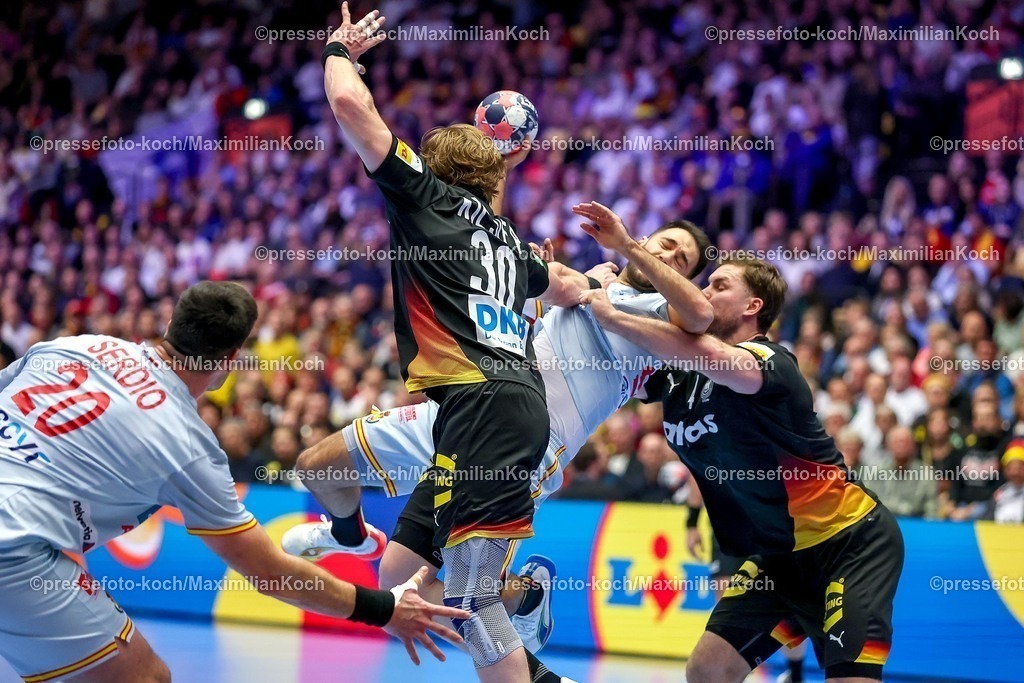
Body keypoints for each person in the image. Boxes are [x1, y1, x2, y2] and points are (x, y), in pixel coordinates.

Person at [284, 218, 713, 655]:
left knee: (406, 588)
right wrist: (538, 279)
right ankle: (351, 535)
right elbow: (528, 316)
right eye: (667, 245)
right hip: (465, 408)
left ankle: (527, 597)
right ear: (647, 239)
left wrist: (627, 246)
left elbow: (700, 313)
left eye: (682, 262)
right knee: (319, 465)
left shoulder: (666, 319)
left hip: (523, 448)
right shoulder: (594, 277)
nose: (669, 258)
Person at [0, 281, 467, 683]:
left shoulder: (73, 346)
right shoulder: (186, 444)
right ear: (232, 358)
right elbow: (271, 573)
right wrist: (384, 608)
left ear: (170, 323)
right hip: (18, 551)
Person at [319, 7, 595, 681]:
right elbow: (557, 282)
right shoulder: (508, 241)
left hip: (481, 409)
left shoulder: (425, 198)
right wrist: (594, 282)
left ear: (432, 172)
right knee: (450, 586)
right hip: (510, 407)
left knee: (469, 598)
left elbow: (349, 102)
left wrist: (340, 48)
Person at [576, 201, 904, 683]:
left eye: (717, 285)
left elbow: (707, 352)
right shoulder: (677, 376)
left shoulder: (771, 362)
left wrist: (613, 313)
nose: (703, 292)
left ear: (754, 307)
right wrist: (574, 287)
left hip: (850, 544)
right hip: (777, 556)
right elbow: (613, 365)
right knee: (707, 670)